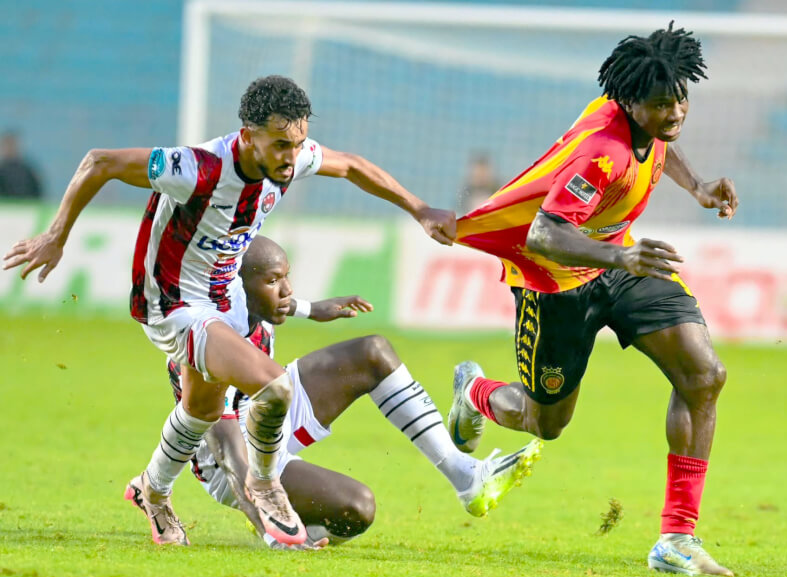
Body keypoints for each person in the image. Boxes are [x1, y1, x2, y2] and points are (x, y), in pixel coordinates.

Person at [3, 75, 457, 547]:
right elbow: (99, 162)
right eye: (281, 144)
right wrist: (56, 235)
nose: (291, 156)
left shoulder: (289, 160)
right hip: (173, 306)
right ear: (247, 136)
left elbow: (352, 166)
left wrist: (419, 209)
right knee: (275, 387)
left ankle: (152, 491)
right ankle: (264, 485)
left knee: (200, 408)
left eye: (297, 143)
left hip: (222, 303)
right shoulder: (196, 168)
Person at [447, 23, 738, 577]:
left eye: (681, 99)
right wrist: (621, 258)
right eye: (660, 104)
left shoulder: (644, 117)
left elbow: (659, 144)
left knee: (703, 375)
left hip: (620, 264)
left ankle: (677, 538)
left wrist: (696, 185)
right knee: (545, 422)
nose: (675, 112)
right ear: (630, 102)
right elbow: (544, 234)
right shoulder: (599, 153)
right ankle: (475, 391)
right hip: (557, 284)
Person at [174, 236, 542, 548]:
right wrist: (273, 532)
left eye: (288, 278)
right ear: (238, 288)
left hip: (269, 412)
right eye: (274, 281)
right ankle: (297, 527)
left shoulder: (250, 308)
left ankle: (466, 476)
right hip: (234, 458)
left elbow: (282, 304)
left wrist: (313, 309)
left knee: (373, 353)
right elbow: (229, 455)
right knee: (358, 509)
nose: (286, 290)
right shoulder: (206, 343)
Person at [0, 131, 43, 199]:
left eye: (12, 145)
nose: (10, 148)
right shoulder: (28, 170)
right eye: (8, 145)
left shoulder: (27, 171)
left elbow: (37, 192)